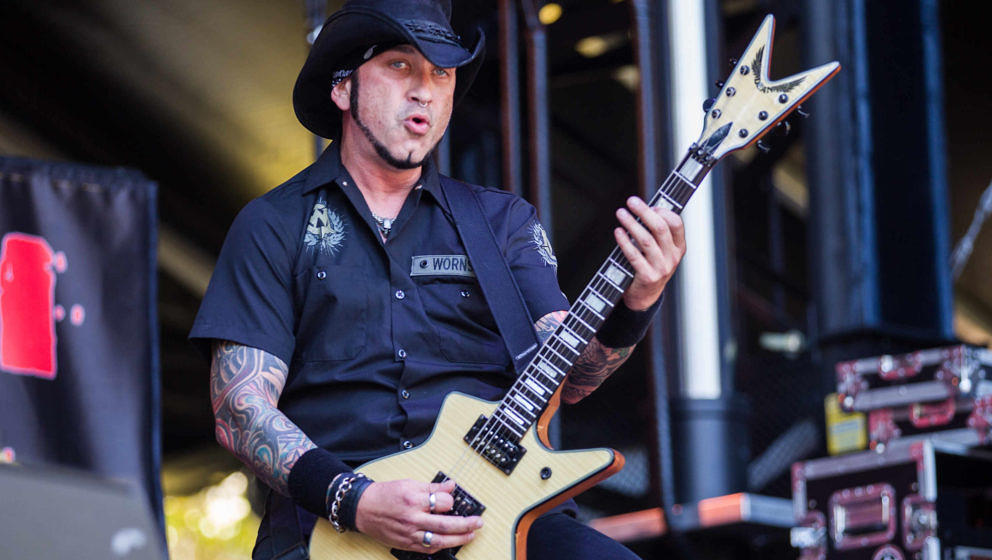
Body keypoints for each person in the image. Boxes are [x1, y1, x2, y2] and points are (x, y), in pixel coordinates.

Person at [190, 1, 685, 558]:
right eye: (400, 65)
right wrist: (355, 499)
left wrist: (638, 302)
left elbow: (570, 378)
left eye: (441, 73)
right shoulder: (273, 224)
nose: (424, 90)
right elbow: (240, 410)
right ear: (343, 88)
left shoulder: (502, 222)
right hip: (331, 525)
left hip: (501, 512)